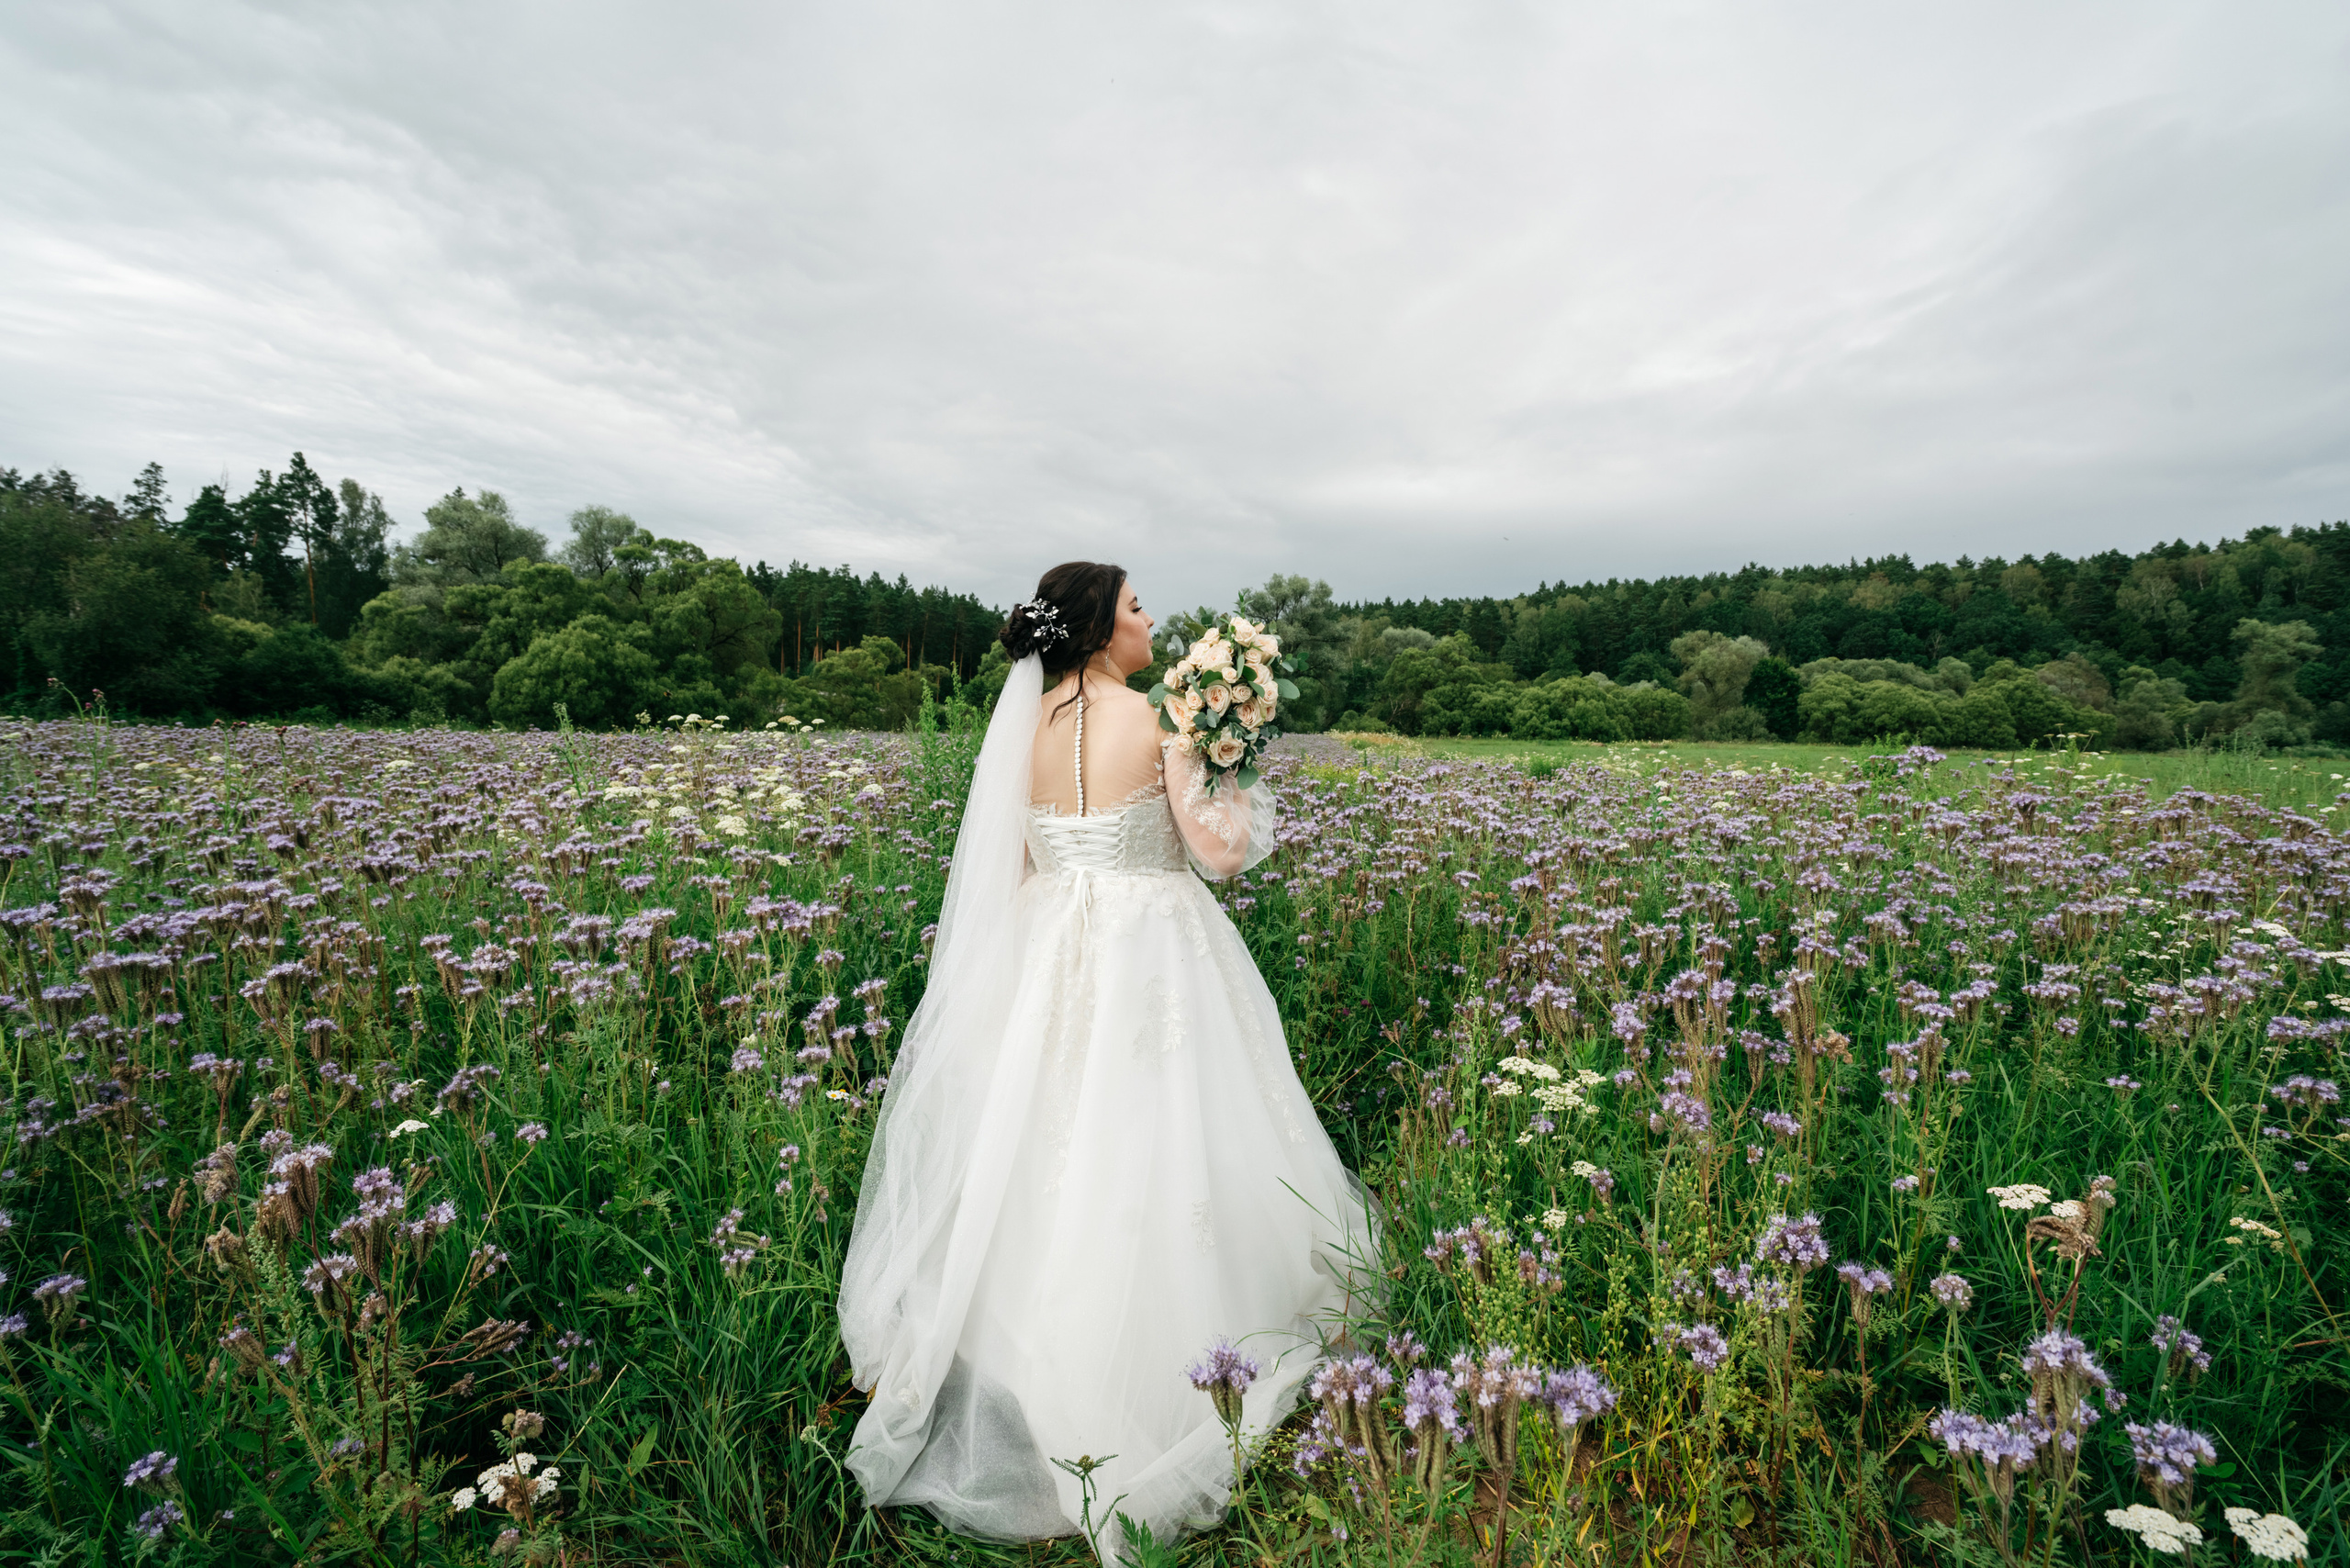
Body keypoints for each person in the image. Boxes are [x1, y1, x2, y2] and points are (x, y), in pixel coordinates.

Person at [837, 561, 1385, 1559]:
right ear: (1098, 630)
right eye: (1135, 606)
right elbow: (1219, 856)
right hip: (1155, 952)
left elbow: (1003, 875)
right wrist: (1231, 764)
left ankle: (1028, 1349)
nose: (1149, 621)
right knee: (1159, 1128)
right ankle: (1165, 1369)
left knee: (1049, 1140)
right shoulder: (1162, 724)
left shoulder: (1026, 732)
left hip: (1050, 948)